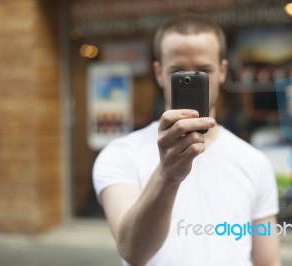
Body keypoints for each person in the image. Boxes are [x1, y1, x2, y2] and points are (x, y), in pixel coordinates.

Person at [93, 14, 281, 266]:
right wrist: (168, 175)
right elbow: (131, 251)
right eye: (178, 72)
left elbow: (268, 261)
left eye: (203, 71)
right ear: (159, 73)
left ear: (223, 71)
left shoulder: (254, 161)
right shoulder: (120, 154)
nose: (191, 79)